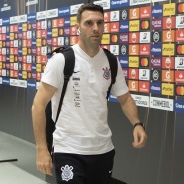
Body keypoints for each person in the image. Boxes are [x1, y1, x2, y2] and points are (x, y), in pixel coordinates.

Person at [31, 3, 147, 184]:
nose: (95, 28)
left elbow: (125, 99)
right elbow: (38, 105)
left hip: (103, 151)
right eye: (89, 23)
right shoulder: (61, 61)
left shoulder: (110, 61)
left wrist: (137, 124)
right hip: (68, 151)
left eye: (100, 23)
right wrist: (41, 149)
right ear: (77, 27)